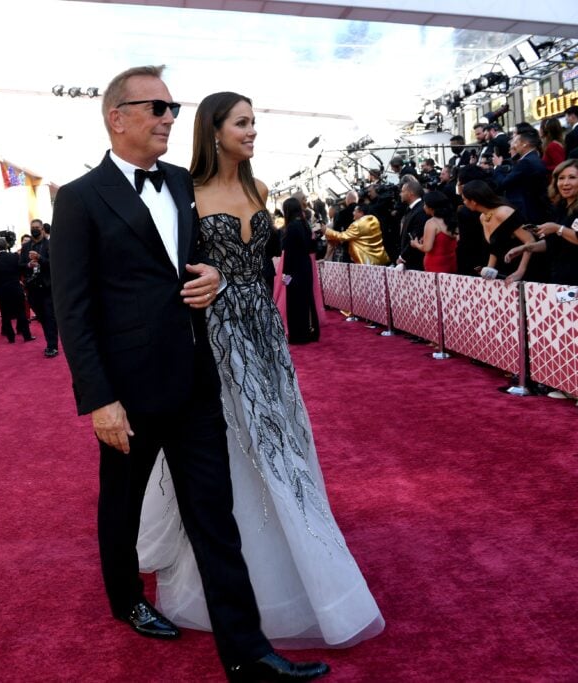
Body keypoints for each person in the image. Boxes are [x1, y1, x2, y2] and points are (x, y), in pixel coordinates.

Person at [50, 66, 329, 682]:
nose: (170, 118)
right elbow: (73, 310)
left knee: (214, 514)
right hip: (128, 389)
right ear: (116, 117)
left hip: (197, 377)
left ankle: (246, 650)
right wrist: (99, 399)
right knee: (120, 506)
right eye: (156, 107)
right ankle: (126, 599)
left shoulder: (182, 183)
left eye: (173, 107)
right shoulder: (79, 197)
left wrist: (215, 279)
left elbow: (202, 261)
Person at [138, 87, 383, 656]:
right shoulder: (186, 195)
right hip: (215, 334)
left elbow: (258, 265)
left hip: (264, 331)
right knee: (233, 444)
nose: (253, 131)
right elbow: (171, 271)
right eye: (243, 123)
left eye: (254, 122)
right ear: (215, 130)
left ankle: (300, 553)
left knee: (280, 438)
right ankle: (242, 577)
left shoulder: (260, 188)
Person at [506, 159, 578, 286]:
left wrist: (557, 228)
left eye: (572, 177)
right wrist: (525, 248)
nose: (565, 183)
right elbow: (552, 243)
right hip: (560, 278)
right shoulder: (560, 207)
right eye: (561, 178)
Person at [460, 180, 544, 284]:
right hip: (505, 273)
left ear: (473, 201)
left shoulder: (503, 212)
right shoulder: (483, 217)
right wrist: (489, 269)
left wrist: (520, 271)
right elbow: (494, 247)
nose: (463, 203)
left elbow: (530, 240)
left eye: (464, 199)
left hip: (527, 272)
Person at [277, 197, 320, 344]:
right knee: (307, 300)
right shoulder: (304, 224)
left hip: (294, 269)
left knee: (295, 302)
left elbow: (288, 254)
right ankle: (309, 331)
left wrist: (285, 276)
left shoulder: (292, 227)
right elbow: (312, 247)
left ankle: (299, 335)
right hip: (305, 267)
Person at [20, 218, 59, 358]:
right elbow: (20, 265)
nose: (34, 229)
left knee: (49, 317)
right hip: (32, 288)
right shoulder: (26, 247)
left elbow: (55, 264)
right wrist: (28, 265)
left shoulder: (50, 245)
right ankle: (52, 336)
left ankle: (52, 345)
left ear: (42, 229)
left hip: (47, 287)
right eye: (32, 227)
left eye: (37, 227)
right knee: (42, 317)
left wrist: (40, 259)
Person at [0, 238, 33, 343]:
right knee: (21, 312)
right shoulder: (15, 257)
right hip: (15, 288)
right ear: (6, 246)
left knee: (5, 315)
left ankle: (11, 337)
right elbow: (21, 270)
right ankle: (26, 335)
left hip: (2, 291)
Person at [324, 203, 390, 265]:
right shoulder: (374, 220)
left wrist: (326, 231)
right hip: (379, 258)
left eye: (355, 211)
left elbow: (343, 236)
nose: (353, 213)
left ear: (361, 213)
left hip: (366, 261)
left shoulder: (357, 225)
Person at [411, 191, 458, 274]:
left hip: (435, 265)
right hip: (451, 262)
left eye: (425, 204)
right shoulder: (452, 220)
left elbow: (427, 248)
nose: (423, 207)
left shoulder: (431, 223)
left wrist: (416, 244)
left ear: (431, 208)